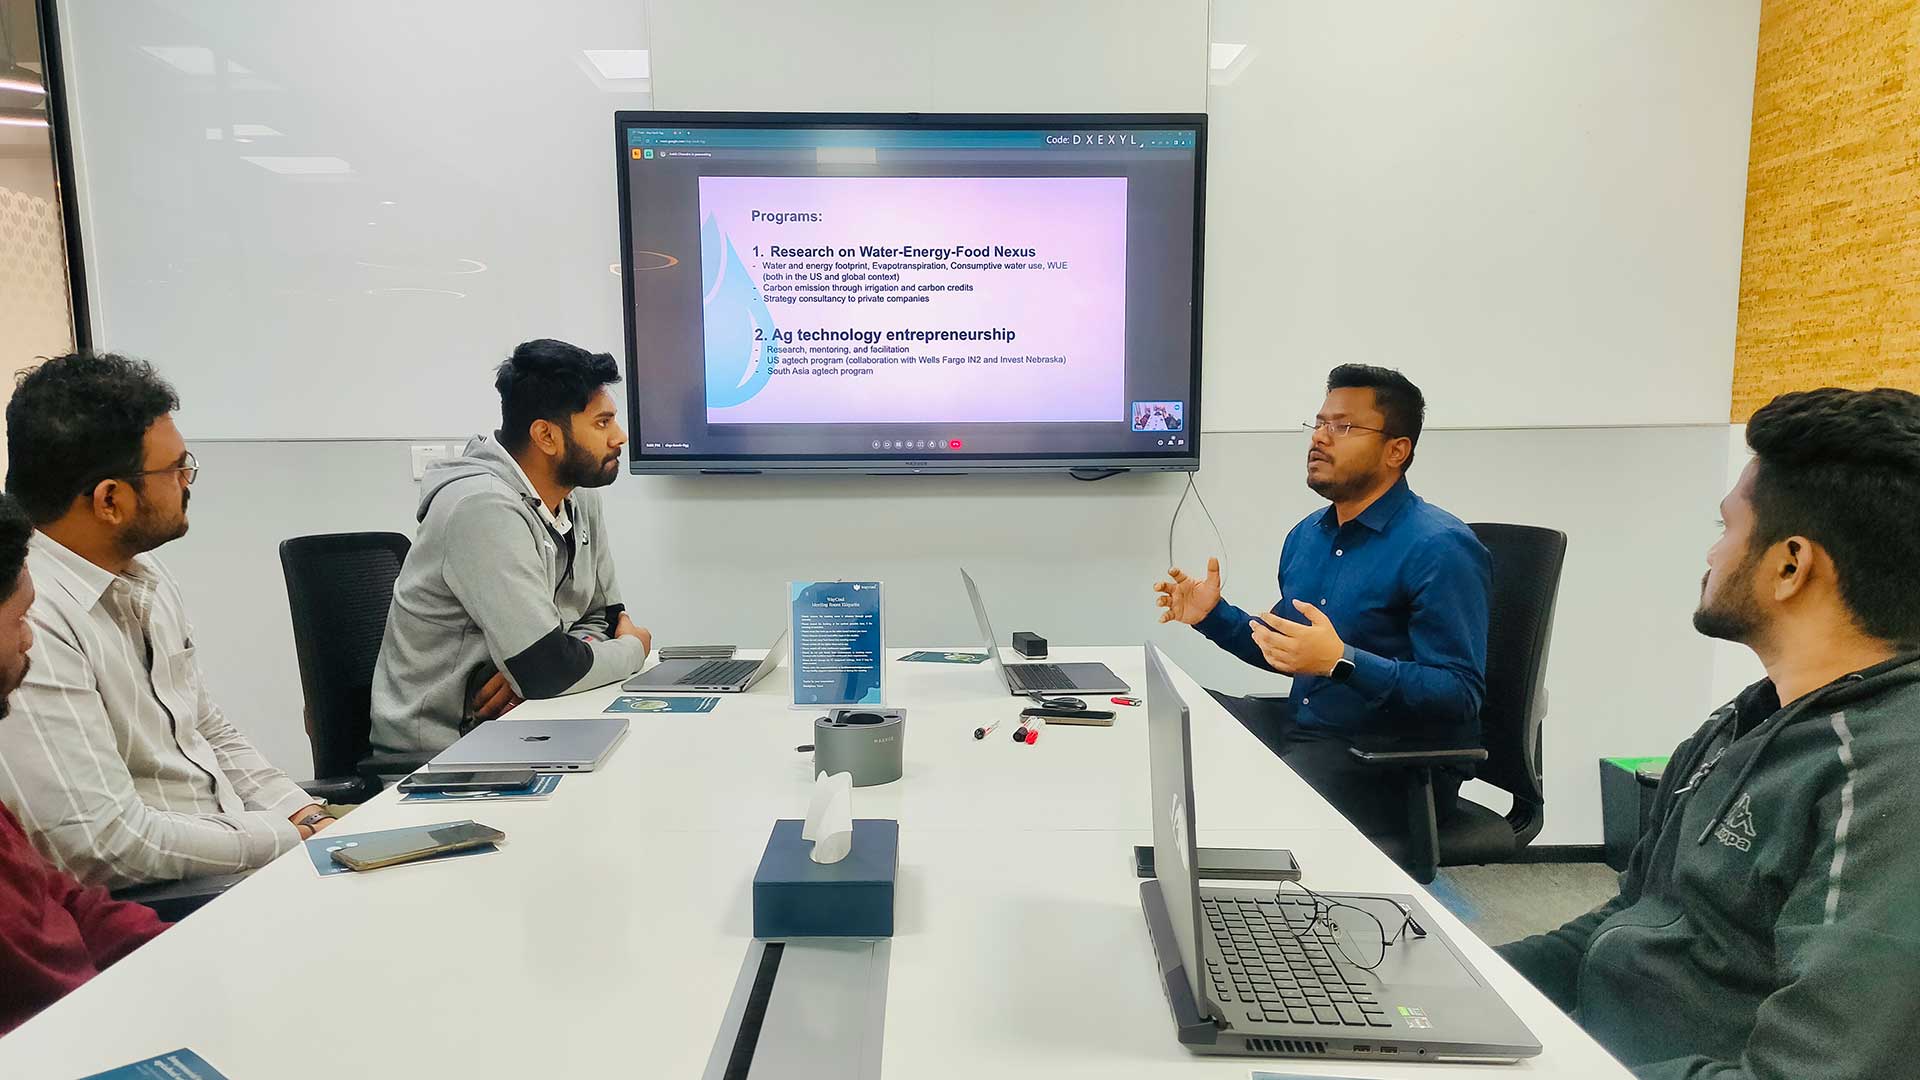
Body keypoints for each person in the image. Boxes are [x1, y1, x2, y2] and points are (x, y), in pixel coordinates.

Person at [1498, 387, 1920, 1080]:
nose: (1713, 551)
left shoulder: (1885, 779)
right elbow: (1633, 920)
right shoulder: (1746, 720)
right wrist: (1459, 975)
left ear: (1790, 565)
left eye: (1726, 527)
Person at [0, 352, 333, 891]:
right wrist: (281, 836)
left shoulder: (142, 572)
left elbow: (203, 725)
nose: (187, 480)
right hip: (165, 901)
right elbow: (100, 843)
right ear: (110, 499)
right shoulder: (32, 615)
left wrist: (305, 813)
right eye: (176, 468)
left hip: (232, 863)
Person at [1153, 364, 1490, 834]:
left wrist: (1343, 662)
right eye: (1319, 423)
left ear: (1397, 450)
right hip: (1306, 730)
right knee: (1171, 728)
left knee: (1238, 802)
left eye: (1343, 426)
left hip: (1387, 760)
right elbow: (1290, 651)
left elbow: (1460, 694)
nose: (1321, 438)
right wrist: (1212, 616)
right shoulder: (1306, 536)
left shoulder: (1439, 546)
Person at [370, 339, 652, 757]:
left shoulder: (579, 495)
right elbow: (550, 670)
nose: (620, 437)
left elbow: (603, 616)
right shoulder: (480, 507)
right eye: (602, 423)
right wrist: (633, 649)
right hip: (443, 752)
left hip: (529, 724)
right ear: (546, 436)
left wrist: (553, 660)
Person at [0, 492, 169, 1035]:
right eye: (19, 618)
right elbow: (45, 1000)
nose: (30, 637)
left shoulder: (151, 588)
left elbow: (58, 897)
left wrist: (196, 946)